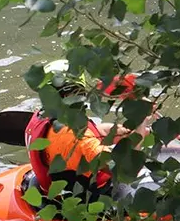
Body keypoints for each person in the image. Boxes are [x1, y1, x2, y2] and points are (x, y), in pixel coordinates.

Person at [20, 62, 163, 211]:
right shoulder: (76, 136)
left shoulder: (41, 116)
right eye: (76, 92)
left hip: (50, 188)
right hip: (85, 202)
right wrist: (141, 121)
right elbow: (127, 169)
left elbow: (68, 140)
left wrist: (108, 131)